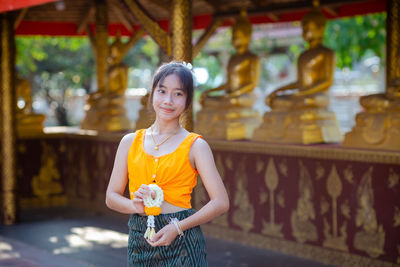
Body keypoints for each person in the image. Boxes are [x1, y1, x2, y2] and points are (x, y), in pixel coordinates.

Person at [105, 61, 229, 266]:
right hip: (140, 239)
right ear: (152, 93)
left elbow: (221, 202)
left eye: (178, 94)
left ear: (188, 100)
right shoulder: (129, 142)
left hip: (183, 240)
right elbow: (111, 197)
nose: (168, 101)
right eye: (162, 91)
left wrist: (177, 227)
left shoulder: (196, 146)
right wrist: (134, 206)